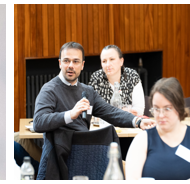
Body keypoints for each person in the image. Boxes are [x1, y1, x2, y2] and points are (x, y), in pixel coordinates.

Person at [32, 41, 156, 179]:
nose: (71, 66)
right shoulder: (49, 89)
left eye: (76, 61)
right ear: (60, 63)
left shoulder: (88, 91)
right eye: (66, 61)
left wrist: (138, 121)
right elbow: (38, 122)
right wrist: (70, 114)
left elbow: (111, 112)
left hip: (86, 157)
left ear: (82, 65)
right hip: (58, 161)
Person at [125, 77, 190, 180]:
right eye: (156, 109)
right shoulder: (142, 140)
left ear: (179, 107)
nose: (160, 115)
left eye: (167, 109)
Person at [88, 45, 144, 116]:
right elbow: (90, 109)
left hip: (127, 124)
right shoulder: (96, 78)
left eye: (112, 59)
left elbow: (139, 110)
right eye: (104, 61)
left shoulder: (132, 76)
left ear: (121, 61)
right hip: (104, 125)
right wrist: (122, 112)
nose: (108, 64)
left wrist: (109, 112)